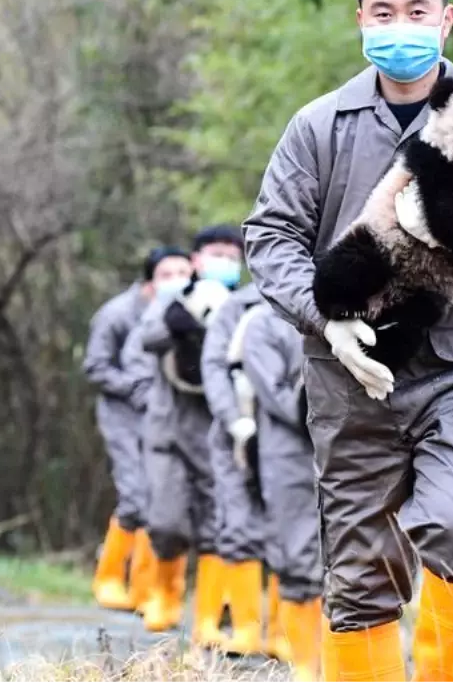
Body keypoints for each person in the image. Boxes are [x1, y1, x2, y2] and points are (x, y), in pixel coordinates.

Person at [243, 0, 453, 681]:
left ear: (445, 19)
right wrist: (326, 317)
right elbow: (269, 234)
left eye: (417, 12)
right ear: (360, 19)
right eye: (383, 12)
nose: (400, 26)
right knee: (358, 574)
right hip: (350, 377)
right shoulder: (319, 126)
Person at [134, 226, 246, 633]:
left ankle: (209, 617)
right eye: (217, 253)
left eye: (233, 256)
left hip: (217, 432)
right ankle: (164, 596)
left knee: (218, 526)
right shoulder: (174, 298)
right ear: (197, 258)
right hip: (166, 429)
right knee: (165, 521)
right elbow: (147, 337)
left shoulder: (238, 303)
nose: (225, 262)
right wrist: (176, 326)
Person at [83, 245, 192, 610]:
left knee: (161, 499)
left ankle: (144, 589)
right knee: (134, 495)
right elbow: (95, 367)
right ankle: (109, 578)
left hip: (163, 415)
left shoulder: (187, 308)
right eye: (167, 274)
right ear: (150, 280)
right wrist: (135, 389)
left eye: (183, 272)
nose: (176, 281)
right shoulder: (116, 314)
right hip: (122, 413)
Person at [240, 305, 322, 682]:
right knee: (295, 551)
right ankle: (299, 656)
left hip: (337, 448)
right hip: (287, 449)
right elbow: (271, 390)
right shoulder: (262, 323)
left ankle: (326, 654)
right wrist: (310, 409)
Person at [197, 262, 271, 654]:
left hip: (290, 439)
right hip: (237, 435)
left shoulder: (315, 301)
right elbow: (214, 367)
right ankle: (245, 629)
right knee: (238, 526)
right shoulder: (237, 307)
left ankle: (285, 635)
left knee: (294, 535)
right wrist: (234, 420)